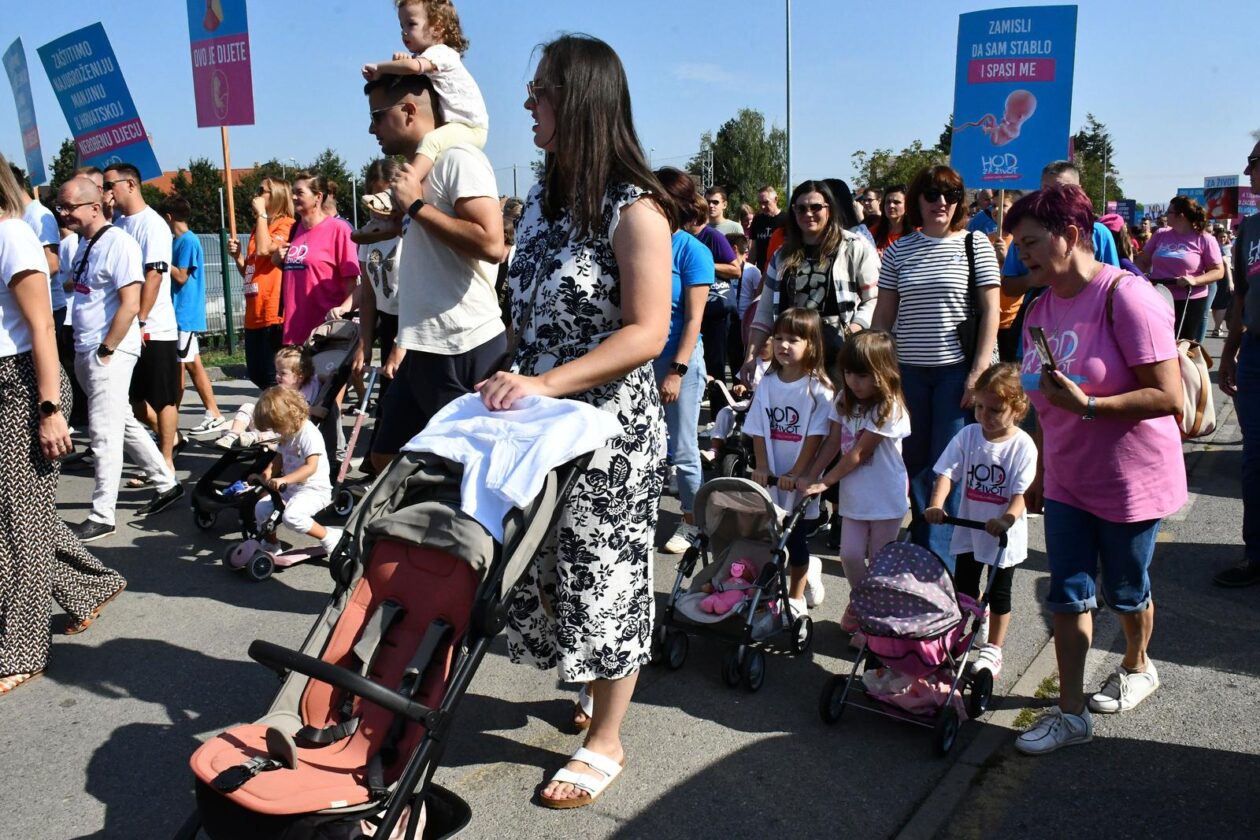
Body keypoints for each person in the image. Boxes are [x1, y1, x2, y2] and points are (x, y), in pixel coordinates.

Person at [475, 34, 671, 809]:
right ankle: (593, 688)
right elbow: (525, 315)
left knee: (604, 577)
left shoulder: (637, 210)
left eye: (542, 91)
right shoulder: (543, 206)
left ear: (581, 100)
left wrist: (545, 383)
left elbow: (646, 331)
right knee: (549, 571)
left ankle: (606, 740)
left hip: (607, 434)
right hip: (539, 423)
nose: (528, 104)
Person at [1008, 185, 1185, 755]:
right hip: (1066, 480)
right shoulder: (1039, 309)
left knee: (1127, 592)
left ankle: (1138, 664)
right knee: (1067, 595)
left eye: (1033, 243)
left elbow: (1169, 396)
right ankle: (1070, 712)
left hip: (1129, 481)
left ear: (1073, 234)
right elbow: (1041, 400)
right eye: (1018, 245)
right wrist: (1033, 471)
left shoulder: (1126, 297)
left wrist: (1089, 407)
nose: (1023, 256)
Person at [0, 158, 127, 695]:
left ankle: (22, 647)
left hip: (22, 385)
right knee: (17, 515)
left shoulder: (13, 237)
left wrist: (50, 410)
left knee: (17, 526)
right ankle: (90, 584)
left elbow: (41, 328)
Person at [364, 72, 506, 472]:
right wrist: (392, 224)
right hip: (422, 344)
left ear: (409, 111)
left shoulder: (459, 158)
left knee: (469, 472)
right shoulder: (417, 171)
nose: (371, 127)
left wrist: (414, 209)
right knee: (385, 457)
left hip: (464, 344)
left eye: (377, 115)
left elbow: (492, 244)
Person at [871, 165, 1000, 564]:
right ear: (917, 201)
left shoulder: (975, 245)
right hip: (908, 372)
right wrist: (876, 368)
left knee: (947, 468)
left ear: (960, 201)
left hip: (956, 373)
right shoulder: (898, 250)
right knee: (914, 466)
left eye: (950, 195)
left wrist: (978, 373)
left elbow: (991, 312)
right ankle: (928, 548)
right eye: (931, 194)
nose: (940, 202)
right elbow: (883, 318)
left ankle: (938, 563)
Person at [58, 175, 181, 542]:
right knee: (123, 421)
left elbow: (130, 301)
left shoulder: (120, 244)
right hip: (88, 349)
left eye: (69, 207)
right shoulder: (85, 243)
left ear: (94, 207)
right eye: (60, 207)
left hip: (107, 352)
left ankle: (102, 514)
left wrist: (108, 349)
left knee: (104, 433)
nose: (63, 214)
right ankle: (165, 483)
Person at [925, 363, 1037, 678]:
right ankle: (968, 621)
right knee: (964, 587)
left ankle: (994, 648)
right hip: (970, 527)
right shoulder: (969, 435)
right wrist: (937, 504)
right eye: (979, 407)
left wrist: (1006, 520)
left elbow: (1020, 494)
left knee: (999, 593)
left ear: (1017, 408)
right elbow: (947, 472)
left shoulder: (1022, 446)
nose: (984, 415)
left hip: (1003, 536)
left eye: (995, 410)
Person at [798, 330, 910, 642]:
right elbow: (833, 442)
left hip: (886, 497)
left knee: (879, 561)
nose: (853, 381)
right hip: (854, 496)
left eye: (862, 375)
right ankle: (863, 602)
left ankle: (875, 621)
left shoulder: (890, 408)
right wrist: (812, 473)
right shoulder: (843, 400)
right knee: (848, 555)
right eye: (848, 373)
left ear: (883, 372)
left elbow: (859, 452)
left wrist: (826, 482)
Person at [743, 180, 880, 382]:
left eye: (816, 207)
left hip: (838, 350)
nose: (808, 214)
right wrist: (750, 356)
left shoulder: (853, 246)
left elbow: (874, 298)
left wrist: (856, 328)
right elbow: (764, 309)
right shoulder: (782, 254)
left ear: (829, 209)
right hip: (791, 351)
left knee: (835, 411)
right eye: (801, 208)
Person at [745, 308, 834, 614]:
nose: (783, 345)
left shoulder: (818, 388)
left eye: (793, 339)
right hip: (770, 475)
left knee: (795, 538)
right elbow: (758, 427)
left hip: (798, 478)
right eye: (779, 337)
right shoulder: (768, 383)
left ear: (811, 344)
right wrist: (762, 466)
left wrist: (798, 473)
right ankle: (773, 588)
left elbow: (815, 435)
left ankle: (796, 599)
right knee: (770, 536)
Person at [361, 0, 488, 194]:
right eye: (401, 26)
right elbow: (412, 68)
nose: (404, 32)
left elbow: (413, 68)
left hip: (471, 127)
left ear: (437, 28)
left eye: (411, 24)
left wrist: (380, 67)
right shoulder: (429, 57)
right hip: (462, 126)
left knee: (430, 142)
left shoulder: (442, 53)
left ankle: (407, 186)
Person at [104, 163, 182, 472]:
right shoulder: (118, 225)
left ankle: (165, 461)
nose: (107, 191)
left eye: (111, 185)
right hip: (126, 326)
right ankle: (168, 440)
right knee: (134, 401)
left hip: (155, 326)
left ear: (131, 185)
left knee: (163, 397)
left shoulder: (152, 224)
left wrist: (141, 318)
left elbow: (154, 275)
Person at [651, 167, 713, 554]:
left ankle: (693, 521)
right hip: (639, 362)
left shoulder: (693, 250)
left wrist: (676, 371)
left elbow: (693, 320)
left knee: (685, 449)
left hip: (679, 362)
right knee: (650, 446)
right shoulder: (638, 242)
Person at [1215, 139, 1260, 587]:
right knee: (1254, 458)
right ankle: (1256, 555)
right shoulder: (1250, 229)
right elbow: (1242, 297)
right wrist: (1229, 352)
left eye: (1254, 162)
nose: (1248, 172)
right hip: (1255, 355)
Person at [250, 386, 342, 556]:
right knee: (261, 509)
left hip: (314, 490)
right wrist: (265, 475)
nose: (276, 431)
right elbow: (278, 458)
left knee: (292, 517)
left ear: (291, 414)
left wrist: (285, 480)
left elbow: (310, 467)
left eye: (277, 426)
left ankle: (330, 536)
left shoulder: (308, 434)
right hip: (291, 489)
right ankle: (271, 544)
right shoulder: (287, 433)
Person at [161, 197, 225, 436]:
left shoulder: (187, 241)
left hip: (184, 313)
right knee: (192, 364)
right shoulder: (177, 241)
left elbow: (181, 276)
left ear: (168, 217)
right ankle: (213, 412)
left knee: (180, 366)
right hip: (179, 313)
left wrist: (162, 262)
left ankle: (169, 421)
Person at [278, 173, 361, 346]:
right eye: (293, 192)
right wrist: (276, 259)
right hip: (294, 332)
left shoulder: (338, 229)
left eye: (300, 192)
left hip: (325, 333)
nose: (293, 197)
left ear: (318, 197)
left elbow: (351, 284)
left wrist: (344, 321)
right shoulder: (295, 230)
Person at [228, 177, 294, 389]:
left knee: (272, 377)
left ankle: (282, 418)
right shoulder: (259, 228)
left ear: (277, 196)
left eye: (262, 191)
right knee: (256, 374)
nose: (257, 194)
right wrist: (239, 257)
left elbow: (266, 249)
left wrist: (262, 215)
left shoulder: (287, 225)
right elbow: (250, 271)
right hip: (253, 313)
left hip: (273, 312)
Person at [1134, 195, 1223, 342]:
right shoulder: (1160, 234)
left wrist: (1194, 280)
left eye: (1169, 212)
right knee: (1156, 340)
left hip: (1189, 299)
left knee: (1182, 344)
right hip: (1159, 295)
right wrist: (1138, 275)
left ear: (1180, 216)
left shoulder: (1204, 239)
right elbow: (1143, 260)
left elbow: (1218, 271)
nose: (1165, 215)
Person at [216, 344, 320, 448]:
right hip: (267, 423)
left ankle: (252, 438)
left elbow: (319, 378)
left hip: (282, 431)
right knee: (248, 406)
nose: (277, 376)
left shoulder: (309, 387)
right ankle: (233, 435)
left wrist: (331, 378)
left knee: (276, 429)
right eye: (277, 372)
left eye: (283, 373)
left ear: (300, 376)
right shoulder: (280, 390)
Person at [726, 232, 759, 379]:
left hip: (745, 322)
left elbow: (758, 296)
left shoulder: (752, 271)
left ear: (733, 249)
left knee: (743, 357)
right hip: (728, 319)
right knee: (732, 357)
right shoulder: (724, 270)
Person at [749, 185, 785, 271]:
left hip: (780, 269)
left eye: (765, 202)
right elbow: (753, 248)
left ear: (776, 199)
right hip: (761, 269)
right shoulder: (757, 220)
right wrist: (749, 269)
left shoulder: (787, 220)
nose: (762, 206)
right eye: (760, 203)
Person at [870, 184, 911, 256]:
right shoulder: (874, 232)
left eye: (896, 202)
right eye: (888, 202)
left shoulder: (917, 232)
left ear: (907, 205)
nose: (891, 206)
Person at [1210, 226, 1233, 338]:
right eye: (1220, 237)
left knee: (1221, 304)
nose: (1222, 238)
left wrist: (1230, 282)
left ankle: (1217, 327)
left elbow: (1228, 266)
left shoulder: (1230, 247)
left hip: (1225, 278)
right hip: (1217, 277)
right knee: (1215, 305)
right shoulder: (1216, 247)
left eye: (1224, 236)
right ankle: (1218, 326)